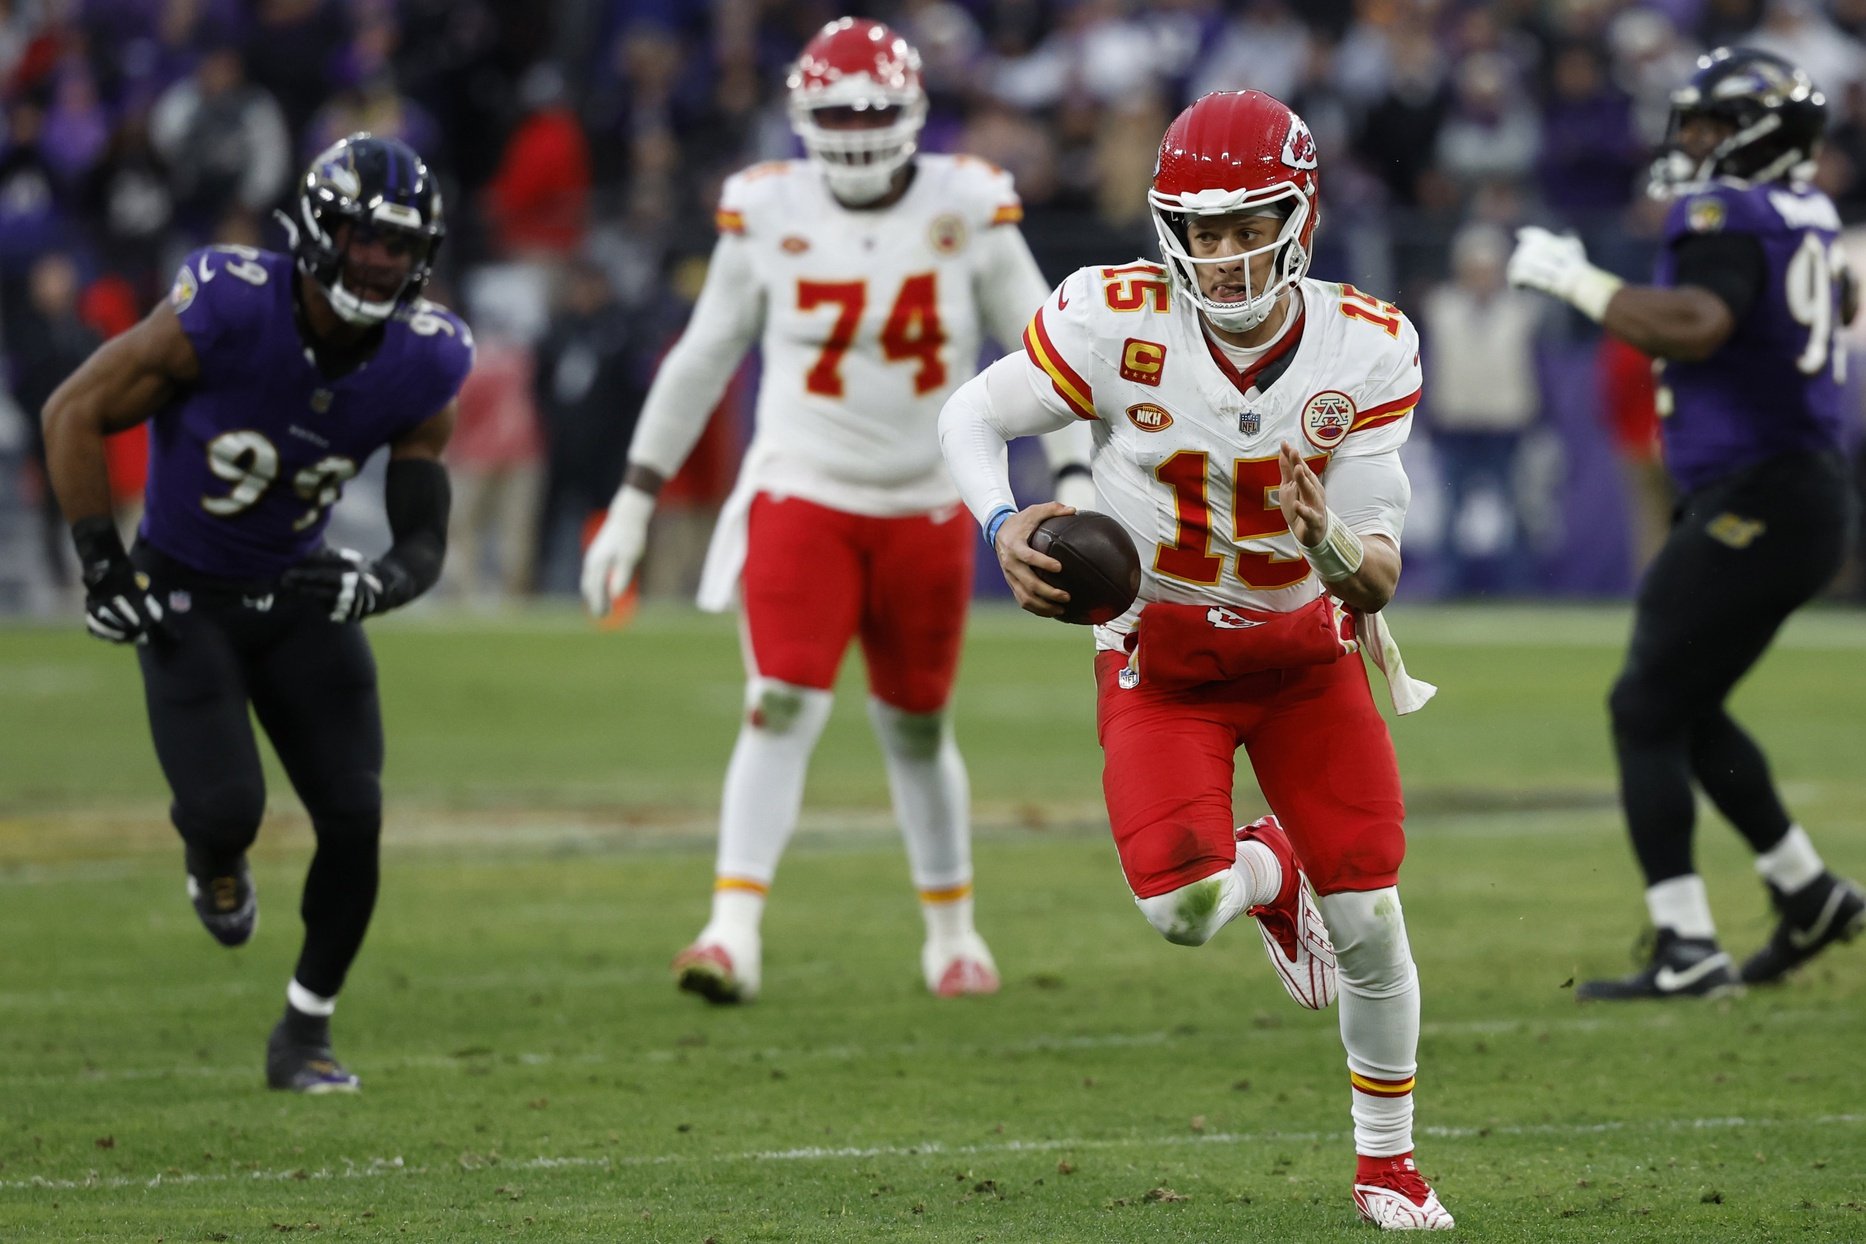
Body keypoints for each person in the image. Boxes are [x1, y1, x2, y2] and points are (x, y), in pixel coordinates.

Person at [937, 90, 1453, 1231]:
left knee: (1370, 916)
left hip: (1304, 651)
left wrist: (1321, 535)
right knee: (1180, 908)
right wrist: (1000, 521)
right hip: (1161, 653)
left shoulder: (1367, 343)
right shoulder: (1108, 316)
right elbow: (970, 418)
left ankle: (1390, 1163)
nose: (1222, 254)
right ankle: (1274, 873)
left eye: (1247, 223)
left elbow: (1373, 579)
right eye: (1201, 228)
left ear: (1301, 213)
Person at [580, 17, 1093, 1006]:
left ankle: (951, 930)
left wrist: (1071, 475)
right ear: (799, 117)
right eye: (837, 111)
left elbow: (1047, 346)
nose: (856, 128)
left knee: (914, 724)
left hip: (926, 497)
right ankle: (732, 928)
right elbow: (703, 355)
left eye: (872, 109)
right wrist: (636, 499)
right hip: (802, 484)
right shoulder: (767, 208)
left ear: (912, 112)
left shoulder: (968, 203)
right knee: (779, 701)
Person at [40, 134, 473, 1091]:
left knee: (356, 816)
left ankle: (305, 1034)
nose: (379, 263)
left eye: (399, 249)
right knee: (227, 808)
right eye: (363, 240)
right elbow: (72, 412)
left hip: (299, 589)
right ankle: (213, 855)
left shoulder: (426, 359)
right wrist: (103, 566)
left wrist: (383, 583)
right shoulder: (228, 305)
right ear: (319, 230)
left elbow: (421, 534)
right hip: (184, 589)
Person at [1508, 47, 1865, 1000]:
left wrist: (1578, 283)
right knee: (1683, 701)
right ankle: (1807, 893)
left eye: (1709, 126)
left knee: (1643, 704)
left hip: (1764, 492)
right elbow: (1838, 302)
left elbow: (1701, 322)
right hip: (1798, 489)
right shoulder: (1812, 214)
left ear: (1759, 135)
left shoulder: (1732, 213)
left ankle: (1687, 944)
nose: (1691, 143)